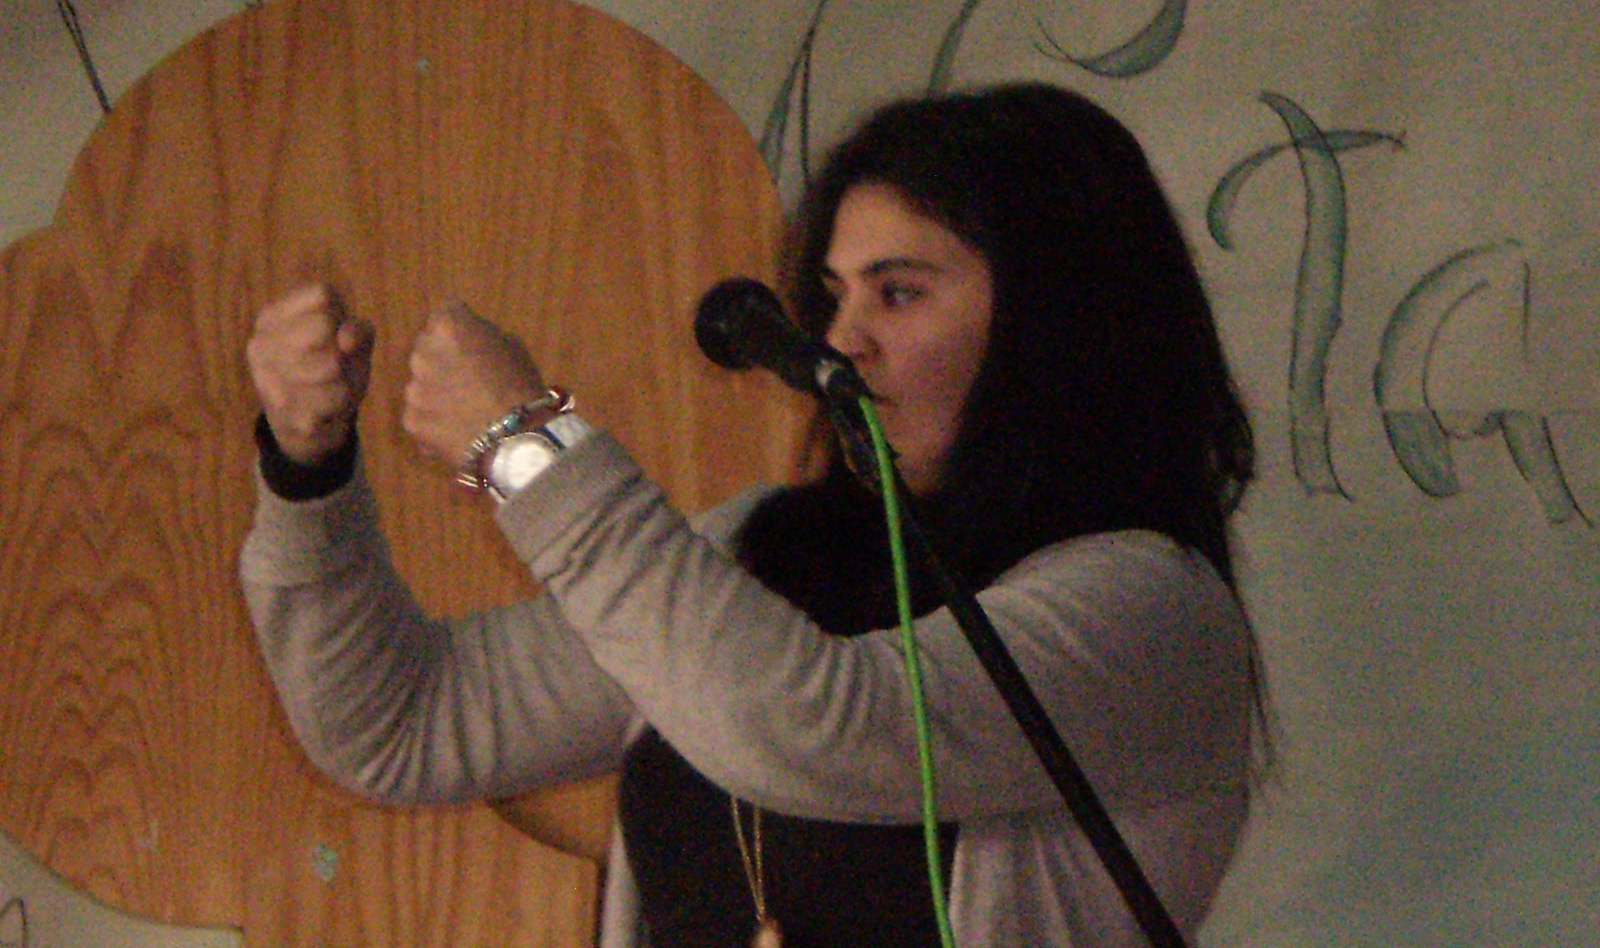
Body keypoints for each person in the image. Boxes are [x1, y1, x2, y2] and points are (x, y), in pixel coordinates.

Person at [241, 81, 1262, 948]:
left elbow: (823, 728)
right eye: (834, 294)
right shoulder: (758, 549)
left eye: (899, 294)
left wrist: (526, 449)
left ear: (1053, 318)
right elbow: (404, 723)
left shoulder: (1152, 609)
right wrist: (306, 473)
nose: (841, 339)